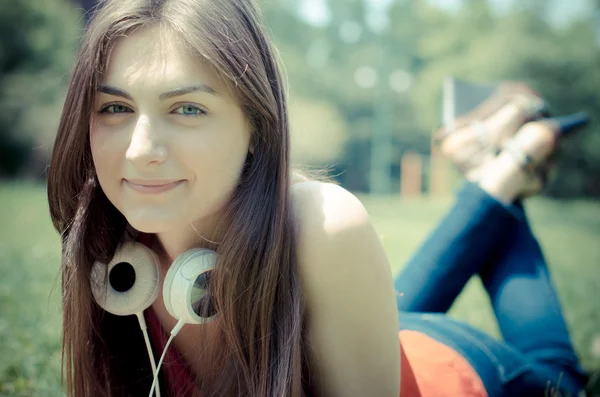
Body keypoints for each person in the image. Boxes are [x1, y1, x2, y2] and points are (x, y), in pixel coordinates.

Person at [45, 0, 589, 396]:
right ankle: (503, 166)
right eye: (114, 107)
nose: (140, 151)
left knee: (557, 373)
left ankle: (517, 159)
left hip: (457, 373)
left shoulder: (324, 225)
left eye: (187, 108)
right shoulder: (104, 242)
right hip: (371, 334)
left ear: (258, 126)